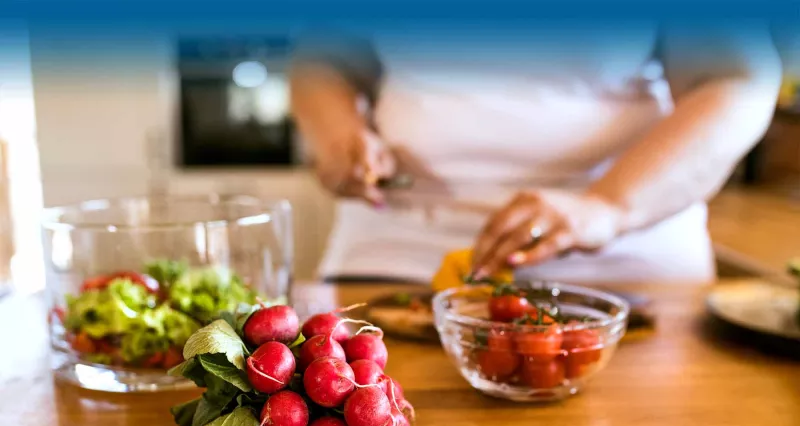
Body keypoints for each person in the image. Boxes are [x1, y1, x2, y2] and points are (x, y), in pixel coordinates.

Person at [290, 23, 781, 284]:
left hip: (625, 277)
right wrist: (337, 136)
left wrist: (606, 206)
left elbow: (738, 81)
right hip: (391, 263)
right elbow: (322, 58)